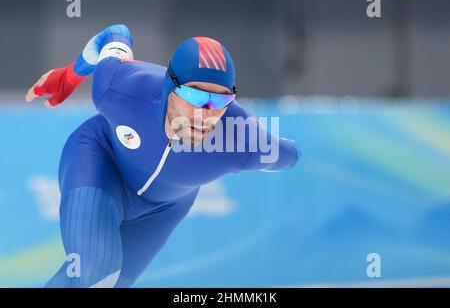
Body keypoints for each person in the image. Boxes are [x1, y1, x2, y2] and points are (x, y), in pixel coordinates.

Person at [25, 24, 301, 288]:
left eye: (219, 101)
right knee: (97, 270)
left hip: (162, 209)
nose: (205, 114)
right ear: (170, 87)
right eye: (195, 96)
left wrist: (263, 144)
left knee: (108, 284)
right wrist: (70, 76)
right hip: (99, 160)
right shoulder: (118, 87)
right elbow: (116, 33)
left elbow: (290, 154)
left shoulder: (240, 140)